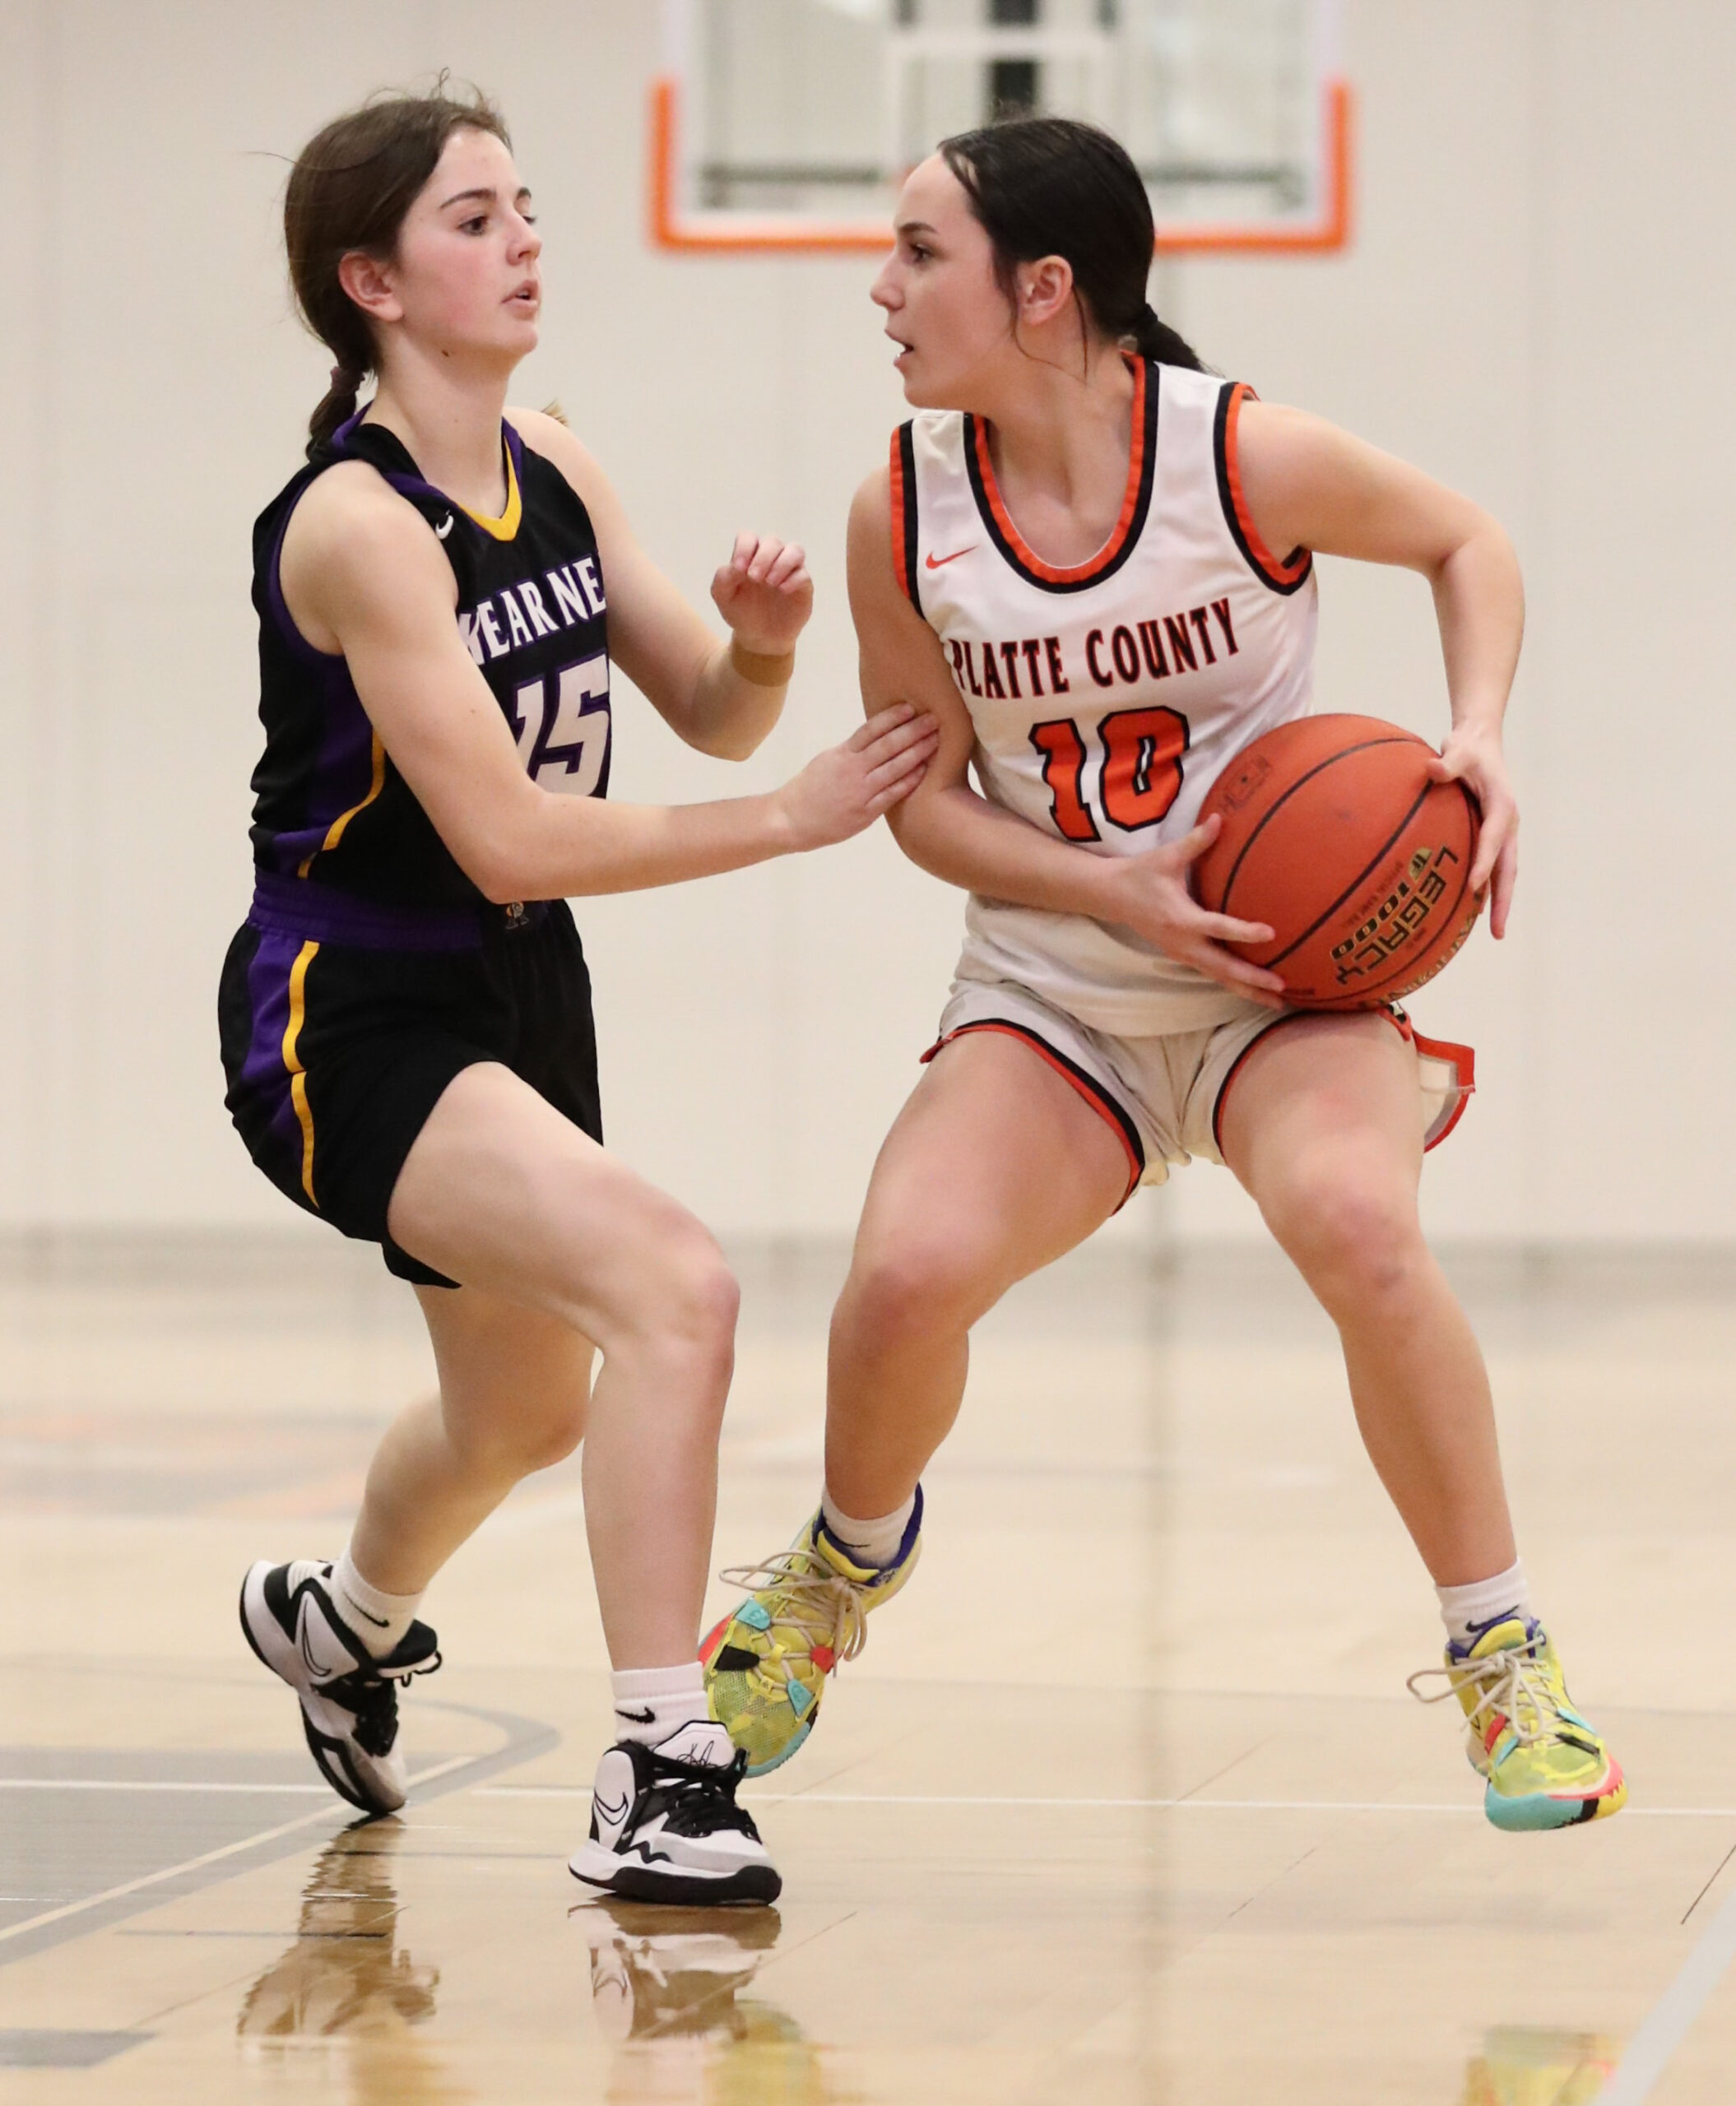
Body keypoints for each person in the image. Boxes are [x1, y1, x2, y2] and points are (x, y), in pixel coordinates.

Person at [704, 117, 1626, 1835]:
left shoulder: (1235, 455)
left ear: (1041, 289)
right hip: (1059, 986)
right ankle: (843, 1562)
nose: (880, 287)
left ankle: (1500, 1651)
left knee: (1359, 1229)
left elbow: (1466, 541)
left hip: (1281, 983)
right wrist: (1101, 890)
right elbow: (919, 795)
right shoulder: (901, 508)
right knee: (901, 1275)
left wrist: (1478, 732)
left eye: (918, 251)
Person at [220, 84, 937, 1906]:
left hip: (521, 986)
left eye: (524, 206)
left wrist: (762, 647)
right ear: (373, 280)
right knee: (676, 1287)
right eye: (475, 218)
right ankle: (657, 1766)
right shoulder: (356, 522)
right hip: (352, 1006)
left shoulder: (552, 459)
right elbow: (507, 834)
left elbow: (708, 710)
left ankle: (337, 1621)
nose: (525, 239)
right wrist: (785, 821)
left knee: (522, 1415)